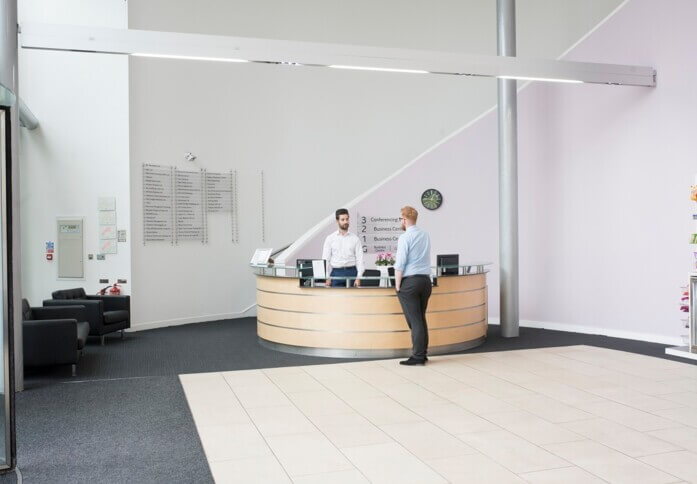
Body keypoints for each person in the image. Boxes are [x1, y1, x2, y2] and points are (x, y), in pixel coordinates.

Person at [394, 206, 432, 365]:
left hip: (410, 283)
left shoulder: (405, 237)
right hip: (425, 281)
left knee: (415, 321)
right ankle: (422, 354)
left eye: (401, 219)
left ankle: (417, 356)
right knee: (420, 319)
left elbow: (400, 263)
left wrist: (397, 286)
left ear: (404, 220)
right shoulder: (425, 235)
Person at [322, 208, 364, 287]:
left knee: (353, 298)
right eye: (343, 219)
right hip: (336, 273)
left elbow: (360, 259)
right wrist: (326, 277)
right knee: (337, 299)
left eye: (347, 219)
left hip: (352, 272)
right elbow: (325, 259)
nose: (346, 222)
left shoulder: (355, 238)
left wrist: (359, 277)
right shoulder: (330, 238)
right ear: (337, 221)